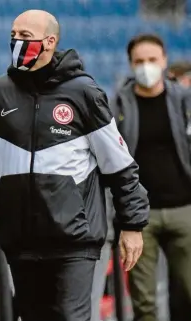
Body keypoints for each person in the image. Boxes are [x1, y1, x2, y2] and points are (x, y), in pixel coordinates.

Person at [0, 10, 150, 321]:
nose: (16, 42)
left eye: (25, 37)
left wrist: (132, 224)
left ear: (50, 42)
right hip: (21, 240)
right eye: (13, 35)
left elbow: (119, 166)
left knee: (72, 316)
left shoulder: (84, 92)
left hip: (75, 239)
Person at [110, 33, 191, 321]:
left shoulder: (184, 101)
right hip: (139, 218)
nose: (146, 67)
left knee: (188, 291)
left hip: (184, 208)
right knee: (144, 303)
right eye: (139, 61)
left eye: (152, 60)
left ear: (164, 61)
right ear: (131, 64)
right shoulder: (118, 105)